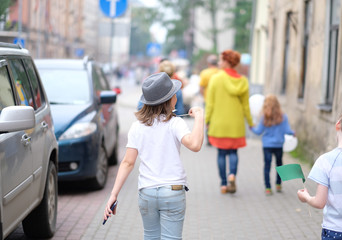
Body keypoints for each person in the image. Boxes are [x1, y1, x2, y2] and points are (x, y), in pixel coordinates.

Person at [104, 72, 204, 239]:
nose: (176, 96)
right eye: (173, 93)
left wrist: (114, 194)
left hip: (147, 193)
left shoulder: (137, 127)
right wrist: (200, 116)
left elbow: (128, 163)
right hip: (172, 192)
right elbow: (195, 145)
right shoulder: (175, 123)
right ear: (168, 99)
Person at [297, 106, 342, 240]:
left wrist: (307, 197)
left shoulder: (326, 160)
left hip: (335, 230)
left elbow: (320, 202)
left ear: (338, 125)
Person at [205, 49, 254, 194]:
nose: (219, 63)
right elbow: (246, 106)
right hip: (236, 124)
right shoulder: (243, 81)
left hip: (219, 123)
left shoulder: (215, 79)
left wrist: (206, 121)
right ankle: (232, 175)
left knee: (221, 154)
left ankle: (224, 184)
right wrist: (250, 123)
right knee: (233, 152)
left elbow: (210, 104)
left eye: (220, 60)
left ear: (227, 62)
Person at [250, 94, 295, 195]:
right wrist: (293, 133)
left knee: (267, 165)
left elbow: (258, 132)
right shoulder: (283, 117)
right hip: (278, 145)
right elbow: (287, 130)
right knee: (279, 165)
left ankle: (268, 187)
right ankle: (278, 184)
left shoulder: (264, 117)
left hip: (267, 146)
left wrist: (251, 128)